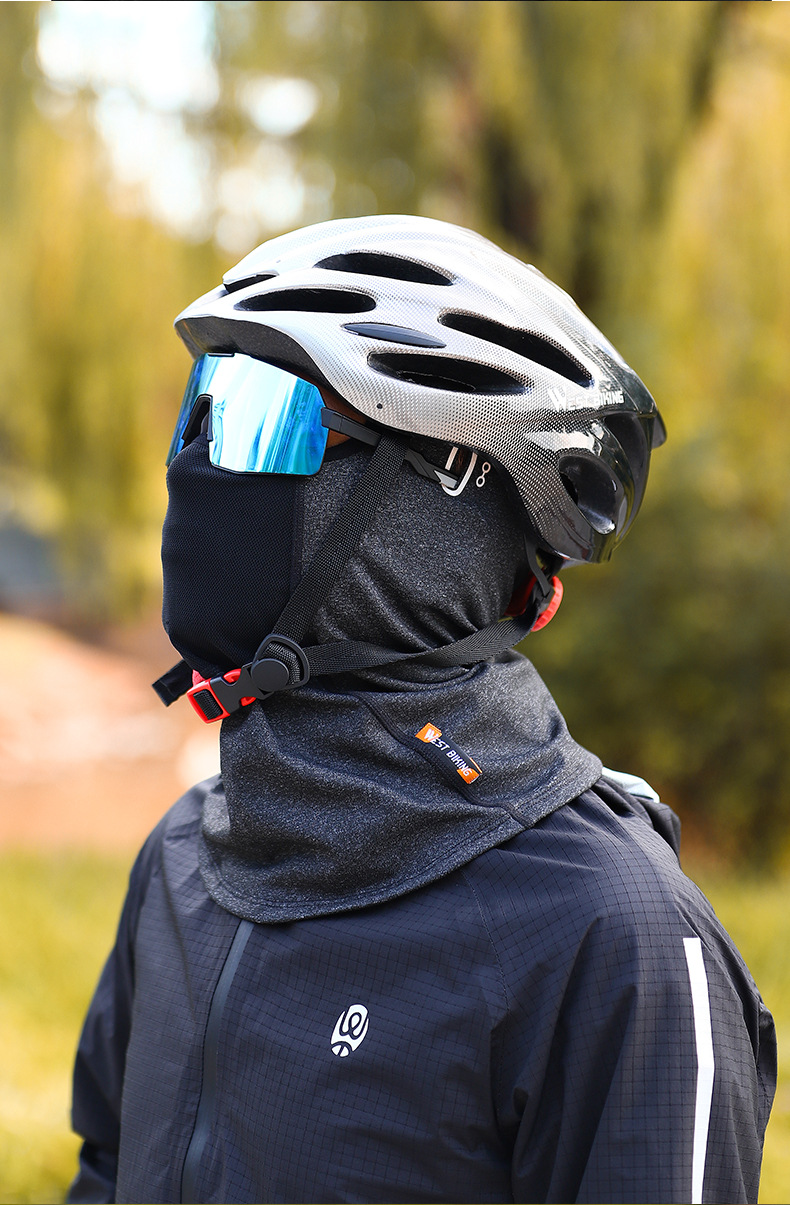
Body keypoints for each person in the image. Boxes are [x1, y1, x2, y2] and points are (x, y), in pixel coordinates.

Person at [67, 215, 775, 1205]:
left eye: (269, 418)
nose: (202, 466)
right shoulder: (186, 856)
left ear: (438, 516)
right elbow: (107, 1172)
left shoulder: (616, 940)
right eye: (206, 407)